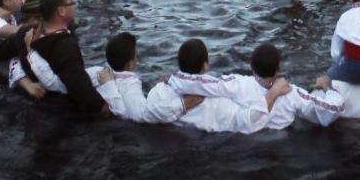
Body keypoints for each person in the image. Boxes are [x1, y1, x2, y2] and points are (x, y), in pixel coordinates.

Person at [97, 37, 288, 131]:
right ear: (205, 65)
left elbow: (137, 113)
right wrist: (273, 93)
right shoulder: (218, 103)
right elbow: (248, 121)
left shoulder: (160, 91)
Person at [1, 0, 111, 118]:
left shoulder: (26, 33)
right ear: (61, 10)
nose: (74, 5)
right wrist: (104, 109)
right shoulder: (65, 46)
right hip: (62, 113)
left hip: (37, 109)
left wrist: (24, 81)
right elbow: (80, 89)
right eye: (71, 1)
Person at [216, 43, 345, 128]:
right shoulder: (292, 94)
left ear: (252, 67)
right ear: (278, 69)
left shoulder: (236, 84)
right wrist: (327, 88)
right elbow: (333, 109)